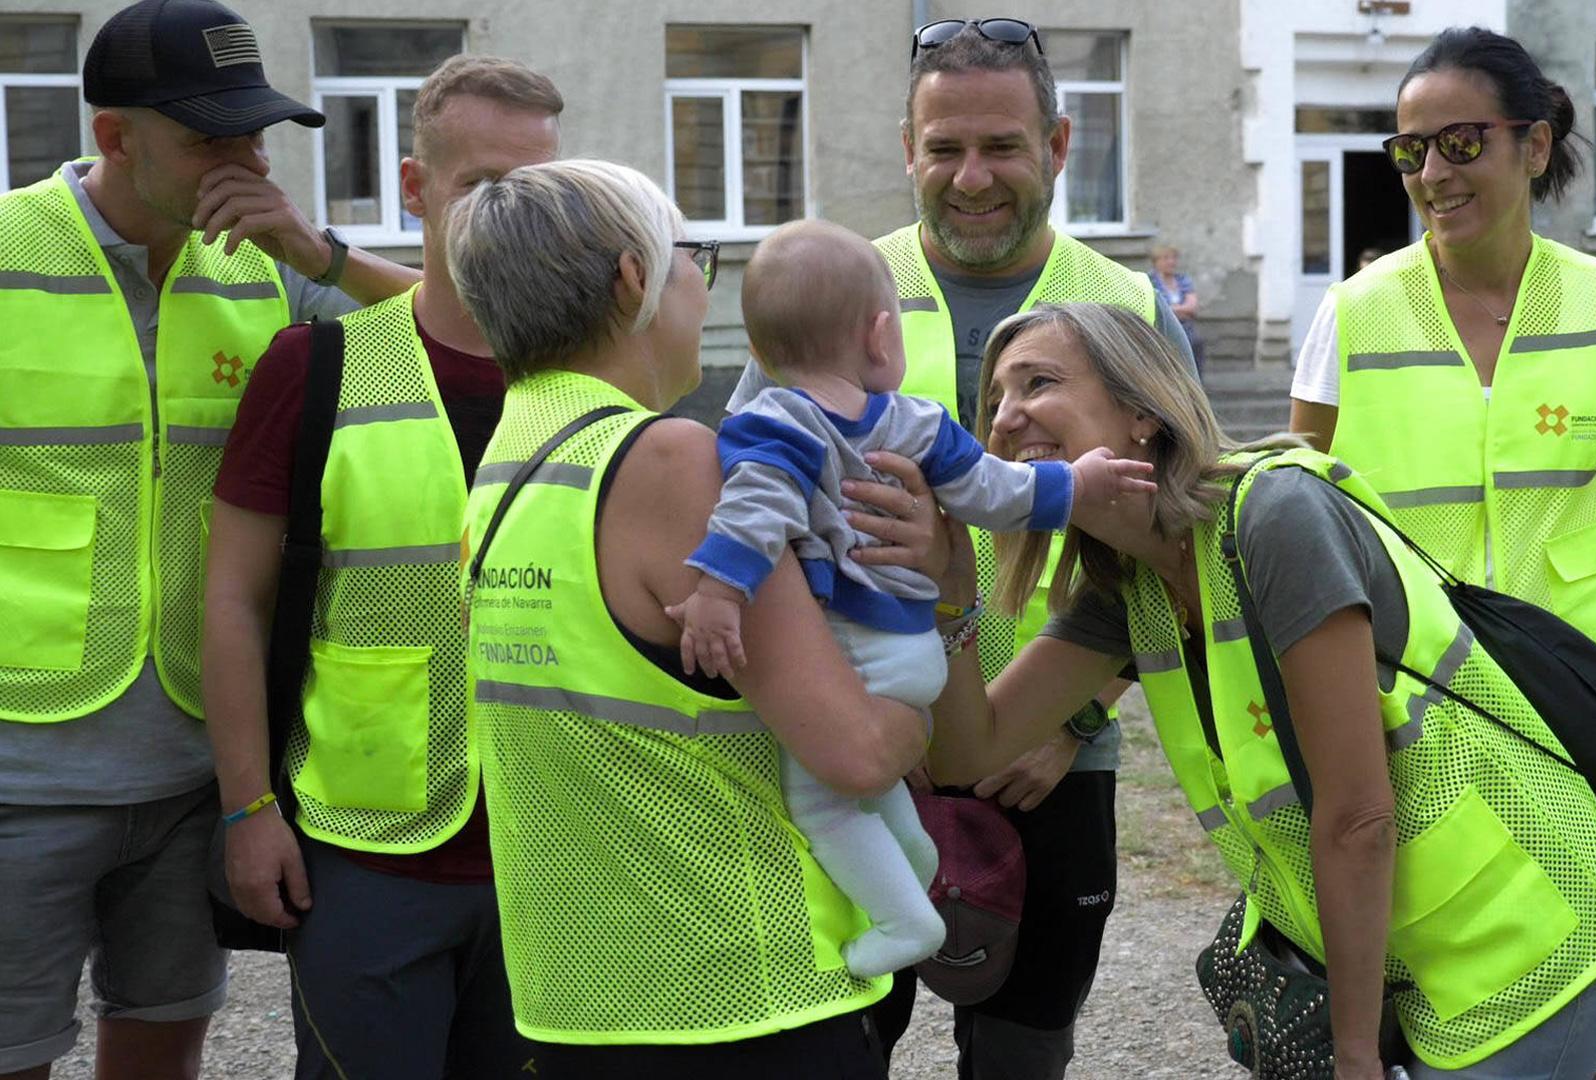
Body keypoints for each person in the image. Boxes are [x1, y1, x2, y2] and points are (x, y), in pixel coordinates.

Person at [926, 301, 1596, 1080]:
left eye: (1038, 383)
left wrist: (1354, 1057)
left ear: (1142, 413)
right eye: (995, 400)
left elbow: (1358, 815)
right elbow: (971, 750)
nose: (1005, 419)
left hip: (1527, 941)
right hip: (1417, 958)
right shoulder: (1127, 585)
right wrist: (947, 597)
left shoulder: (1276, 517)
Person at [727, 21, 1196, 1077]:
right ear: (907, 148)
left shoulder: (1128, 308)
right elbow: (743, 508)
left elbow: (1173, 541)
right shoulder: (828, 290)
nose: (972, 177)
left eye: (1002, 147)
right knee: (839, 1042)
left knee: (1025, 1047)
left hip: (1046, 757)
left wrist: (1077, 717)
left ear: (1059, 146)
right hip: (851, 739)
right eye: (945, 149)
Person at [443, 159, 940, 1079]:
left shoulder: (510, 461)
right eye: (692, 259)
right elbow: (861, 753)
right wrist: (939, 634)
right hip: (749, 994)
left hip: (581, 999)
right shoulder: (673, 462)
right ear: (634, 280)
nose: (705, 290)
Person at [0, 2, 419, 1077]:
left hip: (197, 764)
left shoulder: (263, 265)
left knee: (163, 1044)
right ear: (115, 138)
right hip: (20, 770)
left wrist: (318, 249)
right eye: (207, 140)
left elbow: (460, 345)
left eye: (254, 137)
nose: (240, 166)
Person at [200, 55, 563, 1079]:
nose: (509, 216)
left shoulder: (590, 375)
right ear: (414, 190)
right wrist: (246, 809)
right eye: (477, 186)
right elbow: (232, 599)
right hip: (365, 856)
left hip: (552, 850)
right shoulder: (315, 368)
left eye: (533, 189)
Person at [674, 220, 1155, 979]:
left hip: (853, 652)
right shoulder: (920, 422)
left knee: (824, 801)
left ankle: (904, 919)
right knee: (864, 788)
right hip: (920, 653)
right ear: (879, 336)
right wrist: (1078, 484)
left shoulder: (776, 425)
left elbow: (754, 511)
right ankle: (917, 852)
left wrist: (717, 590)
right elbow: (999, 495)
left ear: (760, 356)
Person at [1288, 26, 1596, 688]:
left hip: (1587, 682)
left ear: (1536, 147)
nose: (1434, 174)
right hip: (1417, 689)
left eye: (1462, 142)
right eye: (1412, 151)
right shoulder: (1351, 314)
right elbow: (1296, 511)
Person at [1150, 244, 1205, 370]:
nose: (1171, 262)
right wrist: (1181, 309)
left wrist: (1171, 308)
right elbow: (1157, 309)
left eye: (1174, 258)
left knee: (1196, 342)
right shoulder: (1150, 280)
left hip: (1186, 328)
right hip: (1161, 328)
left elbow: (1192, 307)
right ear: (1156, 262)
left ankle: (1196, 384)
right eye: (1166, 258)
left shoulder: (1183, 279)